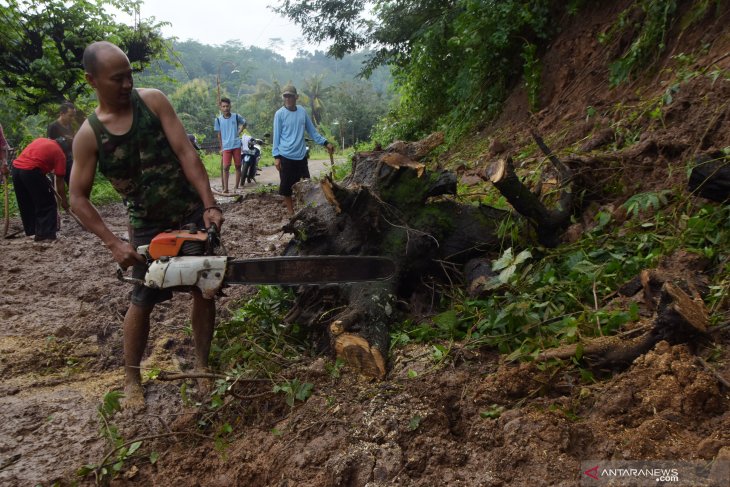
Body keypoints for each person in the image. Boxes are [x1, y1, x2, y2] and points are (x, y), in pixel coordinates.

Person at [70, 41, 224, 410]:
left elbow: (186, 153)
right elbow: (77, 198)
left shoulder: (154, 101)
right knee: (142, 299)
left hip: (188, 215)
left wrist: (209, 204)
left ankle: (202, 365)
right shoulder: (90, 136)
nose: (127, 85)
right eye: (117, 79)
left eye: (130, 76)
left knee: (204, 288)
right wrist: (113, 243)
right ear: (92, 80)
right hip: (145, 228)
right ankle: (131, 378)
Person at [272, 84, 334, 215]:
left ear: (296, 97)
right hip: (285, 156)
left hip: (301, 156)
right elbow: (276, 136)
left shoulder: (302, 111)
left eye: (290, 96)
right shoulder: (279, 114)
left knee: (306, 185)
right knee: (286, 188)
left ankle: (306, 210)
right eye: (285, 96)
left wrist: (325, 142)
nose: (288, 99)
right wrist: (276, 156)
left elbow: (312, 131)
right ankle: (291, 213)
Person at [10, 138, 69, 241]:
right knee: (47, 203)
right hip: (30, 171)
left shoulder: (41, 140)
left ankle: (33, 231)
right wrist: (63, 200)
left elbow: (36, 158)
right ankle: (46, 235)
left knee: (27, 203)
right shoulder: (60, 154)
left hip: (16, 170)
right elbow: (60, 180)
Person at [214, 97, 245, 193]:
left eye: (227, 106)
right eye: (223, 106)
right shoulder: (218, 120)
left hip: (236, 145)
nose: (225, 108)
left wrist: (239, 131)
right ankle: (226, 188)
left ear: (230, 106)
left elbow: (244, 123)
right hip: (226, 147)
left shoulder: (236, 116)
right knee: (226, 167)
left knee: (238, 166)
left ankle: (236, 187)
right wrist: (221, 148)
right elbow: (219, 135)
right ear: (220, 107)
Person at [47, 102, 76, 184]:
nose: (72, 118)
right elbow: (49, 146)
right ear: (62, 113)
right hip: (57, 162)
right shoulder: (53, 126)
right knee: (58, 185)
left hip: (69, 160)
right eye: (70, 116)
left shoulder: (69, 125)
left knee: (72, 184)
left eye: (73, 116)